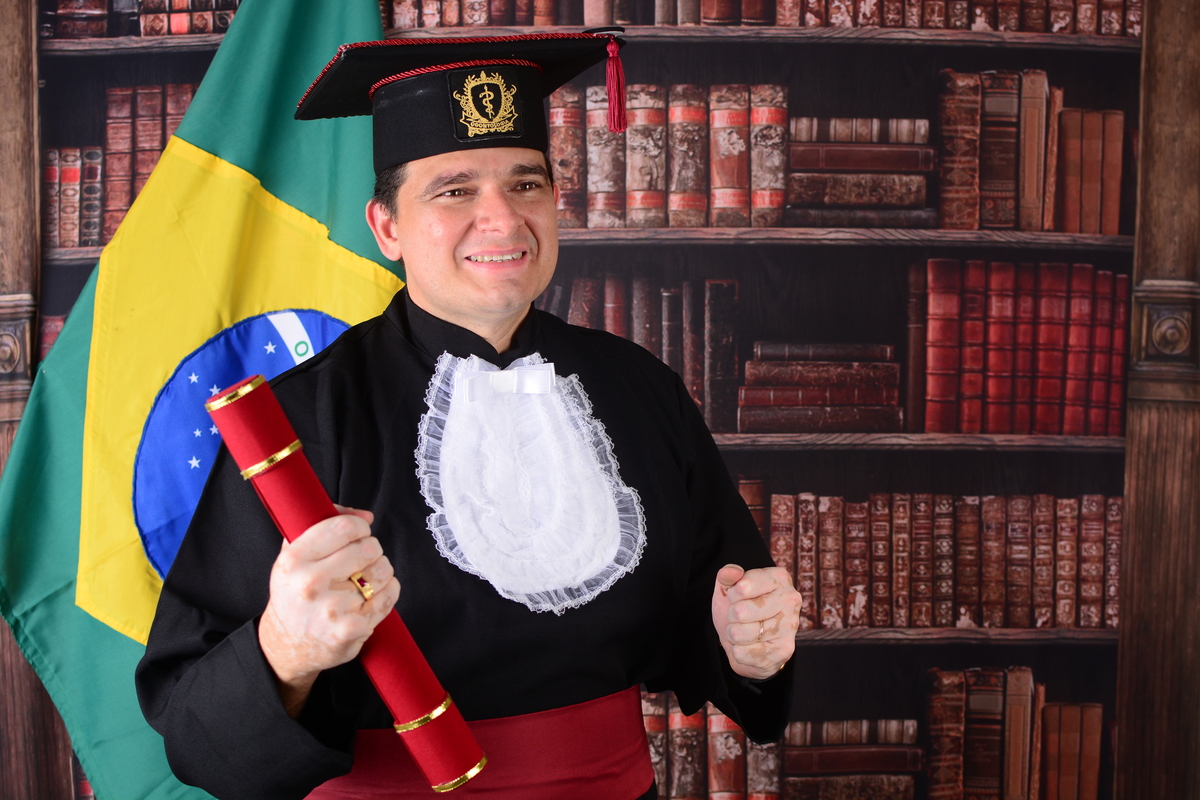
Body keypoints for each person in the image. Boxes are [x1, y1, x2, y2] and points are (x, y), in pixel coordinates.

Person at [136, 32, 802, 800]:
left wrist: (752, 649)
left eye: (526, 184)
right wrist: (285, 648)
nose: (503, 220)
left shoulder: (641, 389)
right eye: (454, 191)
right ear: (387, 227)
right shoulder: (302, 420)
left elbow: (719, 619)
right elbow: (194, 735)